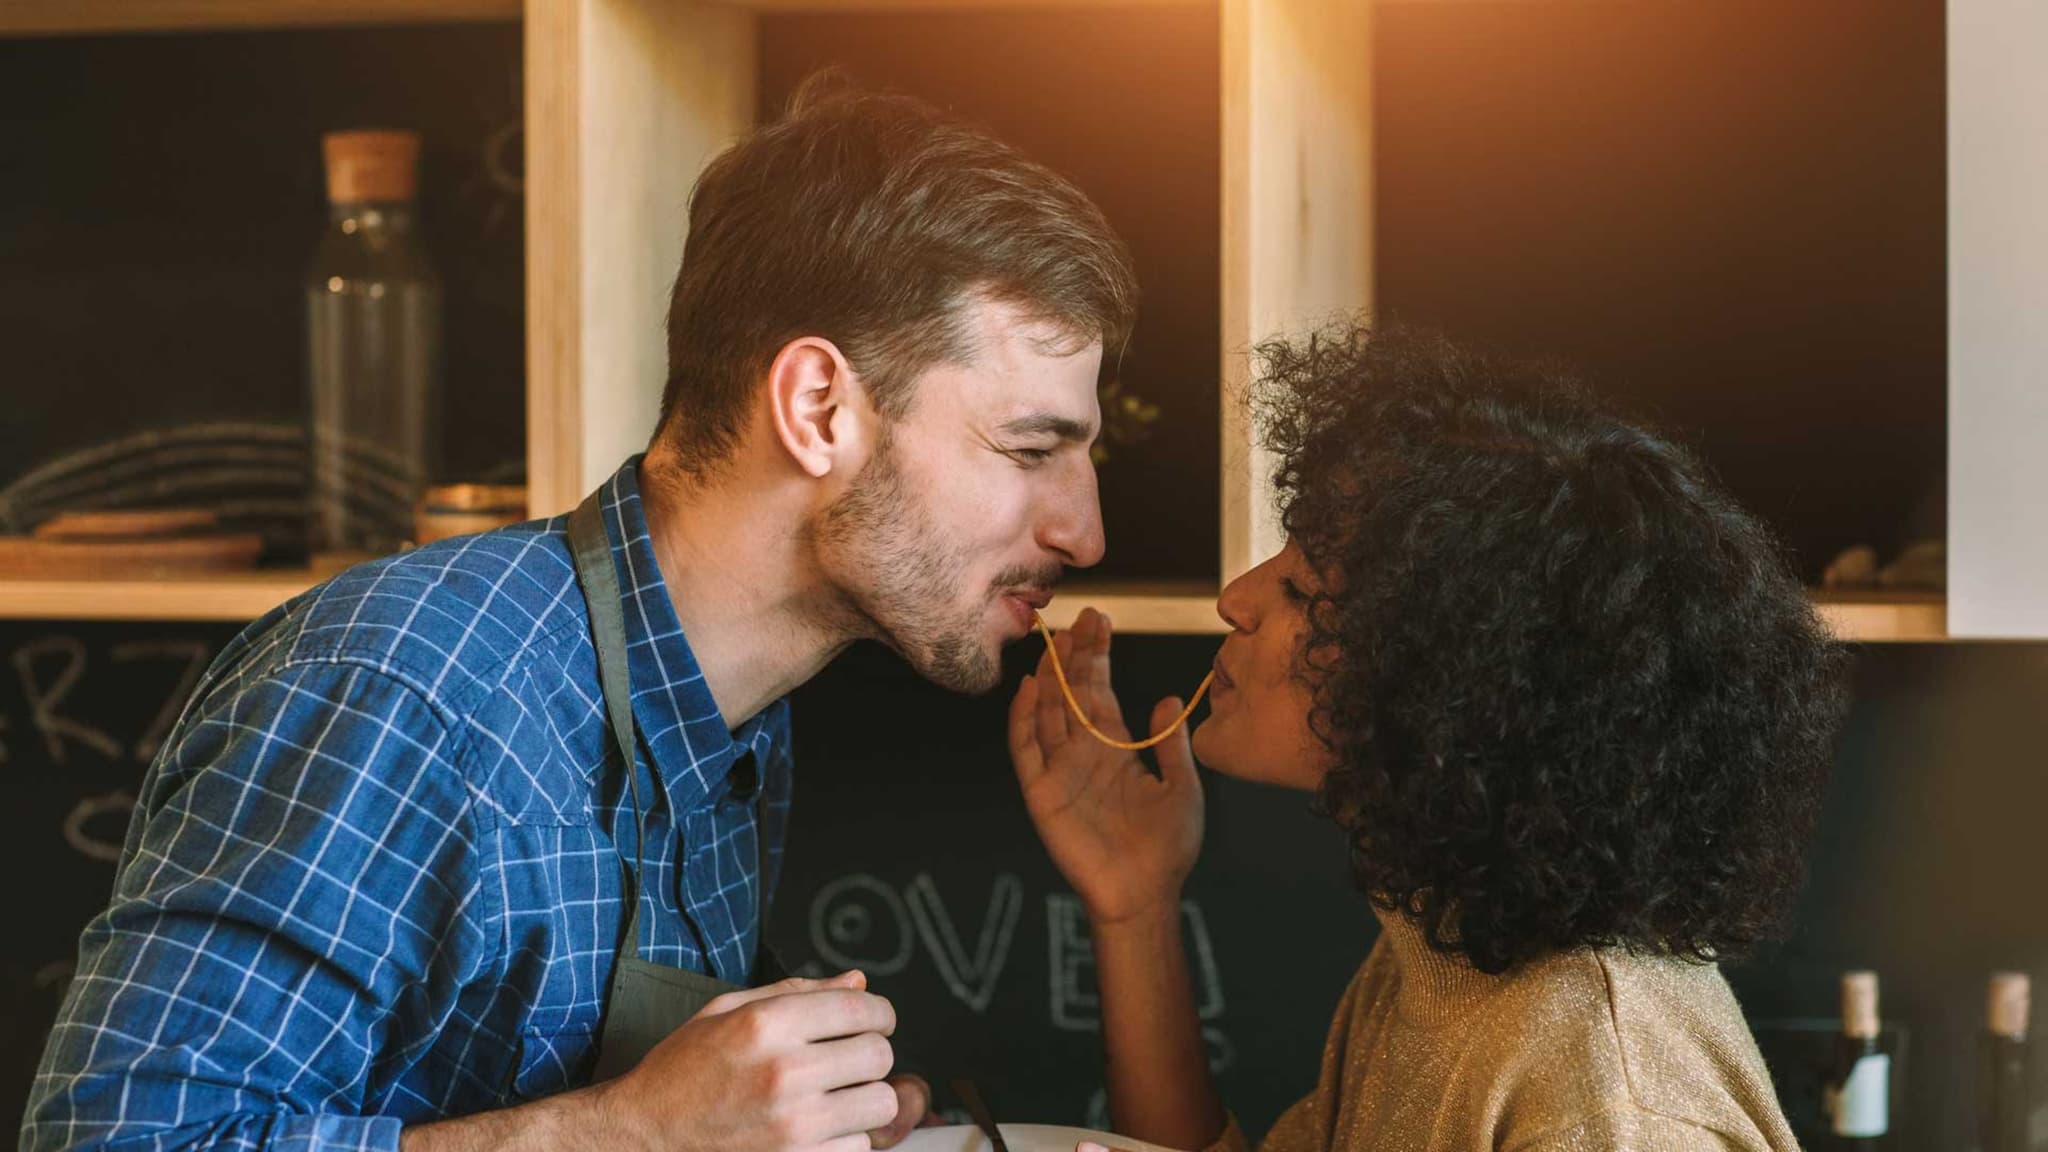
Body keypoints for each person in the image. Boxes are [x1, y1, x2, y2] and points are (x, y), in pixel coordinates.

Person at [24, 77, 1135, 1152]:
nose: (1081, 534)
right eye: (1030, 449)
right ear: (817, 408)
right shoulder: (402, 695)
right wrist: (627, 1138)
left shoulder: (737, 711)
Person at [1012, 323, 1847, 1152]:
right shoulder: (1449, 948)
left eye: (1304, 590)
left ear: (1450, 682)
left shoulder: (1601, 1102)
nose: (1238, 597)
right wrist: (1137, 906)